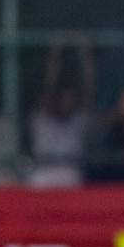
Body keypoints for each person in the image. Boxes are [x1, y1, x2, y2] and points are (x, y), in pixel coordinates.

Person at [27, 35, 95, 188]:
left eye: (71, 99)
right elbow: (49, 85)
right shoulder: (43, 120)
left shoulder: (76, 121)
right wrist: (55, 53)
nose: (67, 103)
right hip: (43, 172)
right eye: (64, 98)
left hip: (69, 173)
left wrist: (85, 53)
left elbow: (88, 90)